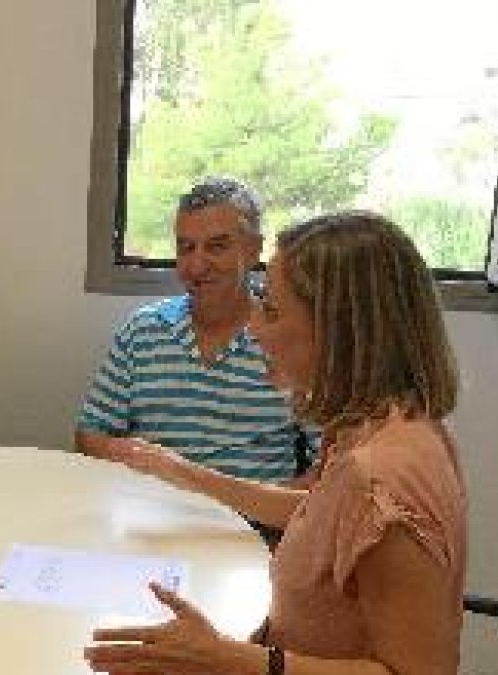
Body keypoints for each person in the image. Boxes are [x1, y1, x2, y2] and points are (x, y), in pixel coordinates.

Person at [85, 210, 467, 675]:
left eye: (271, 310)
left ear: (337, 330)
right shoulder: (371, 428)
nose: (254, 329)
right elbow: (317, 514)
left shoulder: (382, 480)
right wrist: (187, 474)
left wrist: (226, 657)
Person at [76, 176, 314, 485]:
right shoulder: (143, 330)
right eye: (186, 248)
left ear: (254, 249)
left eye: (216, 247)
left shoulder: (286, 339)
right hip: (149, 517)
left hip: (251, 526)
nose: (197, 266)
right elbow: (91, 432)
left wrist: (280, 522)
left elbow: (329, 465)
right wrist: (129, 455)